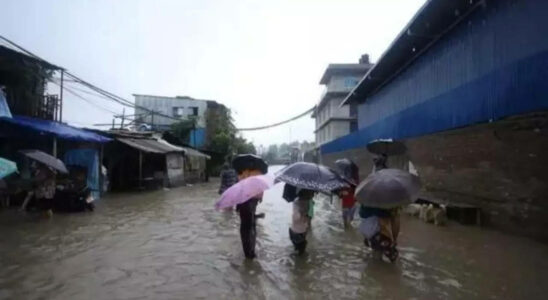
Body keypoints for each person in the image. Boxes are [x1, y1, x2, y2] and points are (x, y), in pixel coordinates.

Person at [232, 155, 268, 259]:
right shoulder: (257, 174)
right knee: (251, 225)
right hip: (251, 201)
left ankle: (248, 252)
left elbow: (236, 189)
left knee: (245, 227)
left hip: (244, 202)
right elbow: (261, 189)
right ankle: (251, 251)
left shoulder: (241, 174)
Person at [289, 189, 314, 255]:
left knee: (299, 250)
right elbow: (297, 217)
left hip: (299, 230)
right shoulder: (297, 203)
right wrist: (304, 215)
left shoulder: (308, 202)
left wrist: (306, 216)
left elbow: (309, 216)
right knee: (300, 251)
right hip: (298, 230)